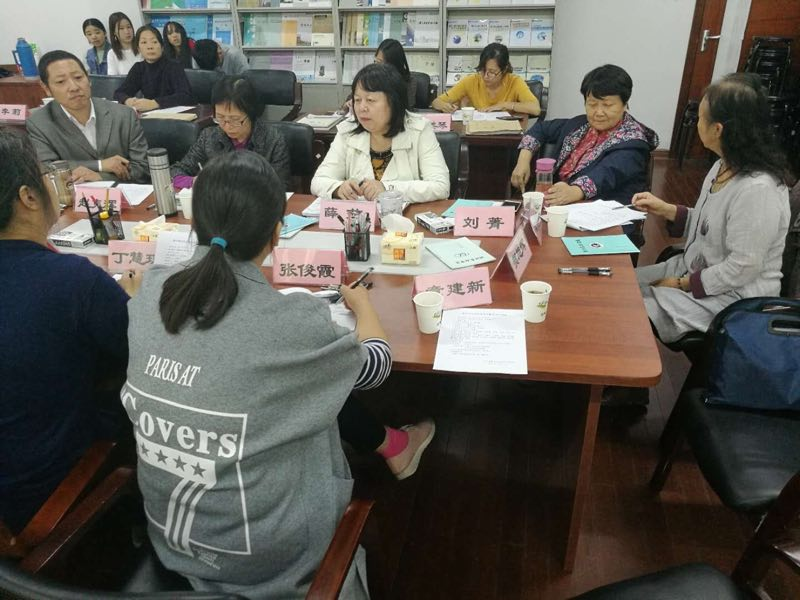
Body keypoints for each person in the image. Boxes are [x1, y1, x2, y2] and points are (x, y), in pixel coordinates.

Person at [123, 151, 432, 598]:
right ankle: (394, 445)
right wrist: (363, 306)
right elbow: (375, 365)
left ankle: (391, 443)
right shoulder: (293, 322)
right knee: (315, 386)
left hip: (171, 540)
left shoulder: (151, 290)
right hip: (269, 560)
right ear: (276, 232)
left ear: (193, 223)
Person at [0, 128, 139, 534]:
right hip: (48, 503)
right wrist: (135, 302)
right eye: (46, 176)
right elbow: (143, 350)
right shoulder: (74, 282)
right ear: (28, 197)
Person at [633, 73, 790, 343]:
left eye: (700, 118)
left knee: (630, 309)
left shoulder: (757, 189)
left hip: (733, 300)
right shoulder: (723, 165)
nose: (697, 124)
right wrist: (667, 209)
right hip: (696, 270)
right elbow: (713, 226)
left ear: (717, 129)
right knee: (620, 284)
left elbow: (742, 267)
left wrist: (682, 284)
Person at [510, 64, 658, 206]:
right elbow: (541, 128)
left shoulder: (633, 142)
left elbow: (607, 174)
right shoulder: (580, 125)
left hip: (603, 213)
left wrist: (575, 191)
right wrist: (523, 160)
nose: (598, 112)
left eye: (607, 105)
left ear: (625, 105)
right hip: (558, 205)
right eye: (592, 104)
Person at [311, 63, 450, 203]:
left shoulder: (419, 129)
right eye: (357, 100)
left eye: (370, 100)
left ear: (394, 101)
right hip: (360, 215)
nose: (362, 108)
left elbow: (440, 186)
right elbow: (318, 181)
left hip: (404, 215)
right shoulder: (347, 131)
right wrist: (338, 188)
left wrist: (388, 189)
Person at [28, 50, 149, 184]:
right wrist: (100, 165)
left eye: (78, 77)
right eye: (61, 81)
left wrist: (101, 177)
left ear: (88, 78)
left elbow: (143, 169)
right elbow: (46, 168)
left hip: (124, 194)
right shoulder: (39, 123)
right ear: (46, 88)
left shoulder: (124, 115)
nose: (74, 87)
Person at [170, 75, 290, 190]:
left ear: (251, 113)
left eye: (235, 119)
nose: (227, 126)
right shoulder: (209, 137)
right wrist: (195, 182)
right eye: (220, 118)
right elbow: (176, 172)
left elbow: (279, 186)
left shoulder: (273, 140)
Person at [432, 43, 540, 116]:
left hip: (506, 137)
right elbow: (436, 102)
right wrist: (444, 106)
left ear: (504, 69)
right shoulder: (471, 81)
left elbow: (535, 109)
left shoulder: (514, 82)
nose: (485, 76)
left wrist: (505, 105)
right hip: (477, 135)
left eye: (492, 72)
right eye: (483, 70)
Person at [114, 25, 195, 111]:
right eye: (144, 42)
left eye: (154, 42)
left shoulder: (174, 66)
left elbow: (186, 96)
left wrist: (155, 103)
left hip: (175, 115)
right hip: (150, 115)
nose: (150, 47)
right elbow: (119, 93)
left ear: (162, 47)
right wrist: (128, 100)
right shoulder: (139, 68)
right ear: (139, 49)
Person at [107, 12, 141, 76]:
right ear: (114, 32)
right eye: (121, 28)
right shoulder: (112, 54)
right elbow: (113, 79)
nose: (127, 32)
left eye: (129, 27)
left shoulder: (141, 47)